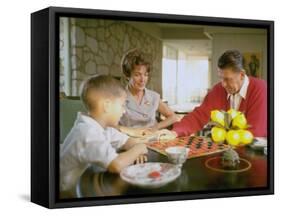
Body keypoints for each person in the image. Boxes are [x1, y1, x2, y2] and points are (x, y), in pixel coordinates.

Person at [60, 75, 148, 196]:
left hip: (88, 180)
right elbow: (116, 165)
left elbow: (127, 141)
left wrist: (134, 148)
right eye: (122, 105)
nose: (124, 111)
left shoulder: (103, 128)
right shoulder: (87, 133)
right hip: (67, 193)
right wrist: (139, 149)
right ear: (107, 106)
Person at [172, 50, 267, 137]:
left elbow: (255, 133)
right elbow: (199, 115)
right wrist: (175, 132)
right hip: (229, 149)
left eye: (227, 79)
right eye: (221, 78)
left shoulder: (260, 88)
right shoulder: (218, 89)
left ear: (241, 75)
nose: (223, 84)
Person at [119, 49, 178, 137]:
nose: (143, 80)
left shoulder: (153, 96)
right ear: (127, 75)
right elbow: (109, 126)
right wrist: (130, 131)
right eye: (137, 75)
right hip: (129, 142)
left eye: (145, 74)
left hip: (152, 141)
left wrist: (156, 127)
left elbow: (173, 117)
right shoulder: (118, 97)